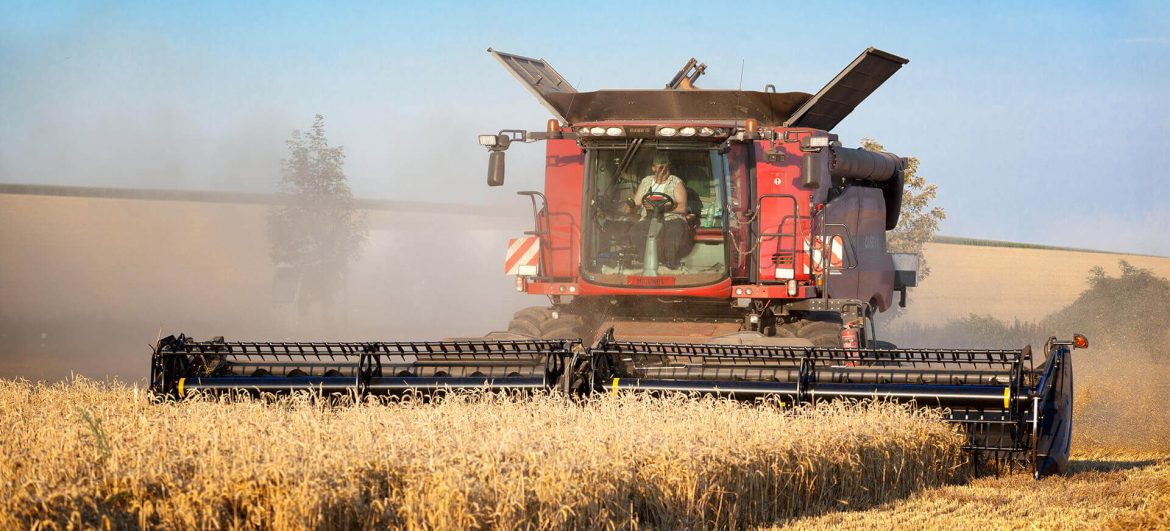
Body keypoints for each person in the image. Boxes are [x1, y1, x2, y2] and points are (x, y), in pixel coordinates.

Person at [628, 153, 693, 269]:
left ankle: (670, 264)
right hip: (649, 218)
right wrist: (629, 207)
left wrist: (663, 208)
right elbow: (637, 202)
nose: (664, 171)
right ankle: (646, 263)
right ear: (653, 168)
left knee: (673, 232)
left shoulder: (676, 182)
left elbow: (682, 207)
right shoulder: (646, 181)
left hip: (671, 218)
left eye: (666, 167)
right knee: (635, 231)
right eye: (661, 167)